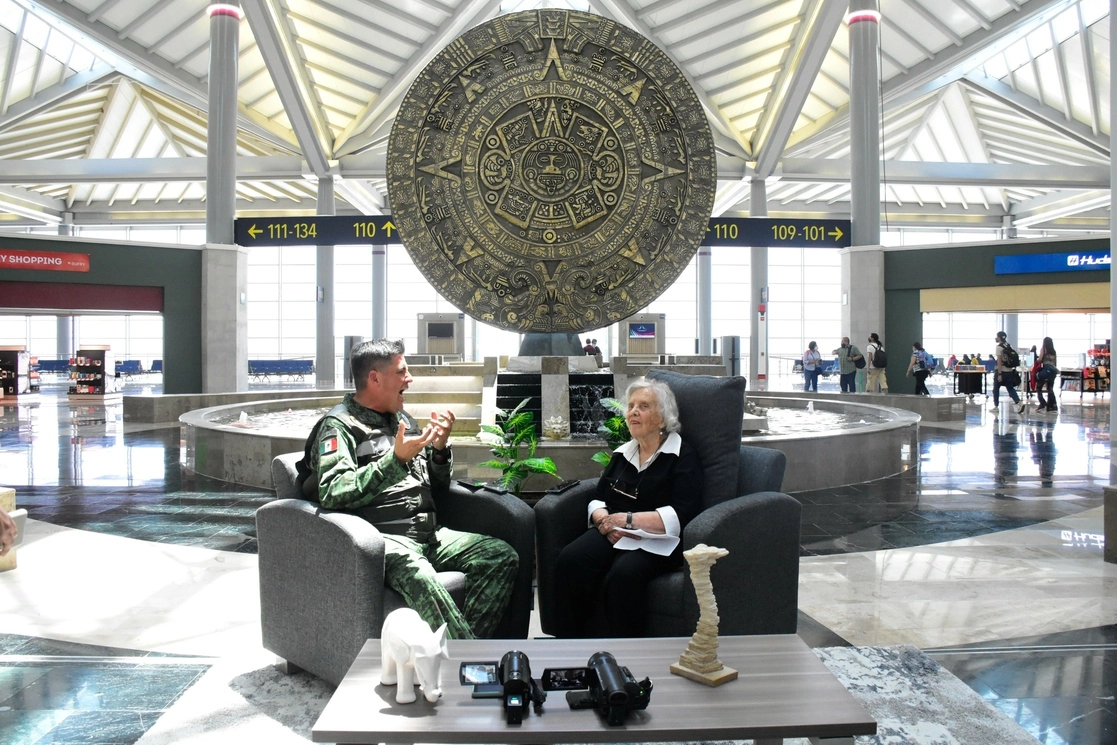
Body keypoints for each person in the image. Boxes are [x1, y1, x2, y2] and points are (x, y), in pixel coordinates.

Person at [298, 339, 517, 640]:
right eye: (401, 372)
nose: (410, 379)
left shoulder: (403, 420)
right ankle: (466, 660)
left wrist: (439, 450)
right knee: (420, 573)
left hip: (428, 535)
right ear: (375, 378)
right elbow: (334, 492)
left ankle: (463, 651)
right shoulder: (339, 426)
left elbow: (437, 486)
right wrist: (395, 460)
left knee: (500, 555)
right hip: (382, 540)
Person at [550, 378, 703, 637]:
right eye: (631, 406)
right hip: (613, 532)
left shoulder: (682, 456)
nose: (633, 412)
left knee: (623, 576)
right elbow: (598, 498)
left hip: (658, 540)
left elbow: (683, 513)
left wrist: (626, 520)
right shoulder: (623, 453)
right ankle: (570, 642)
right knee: (570, 560)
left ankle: (625, 652)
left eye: (644, 406)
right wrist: (604, 522)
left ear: (662, 419)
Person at [991, 331, 1025, 415]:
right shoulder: (1009, 346)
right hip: (1009, 371)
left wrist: (999, 374)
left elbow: (999, 362)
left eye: (997, 337)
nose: (996, 338)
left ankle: (996, 406)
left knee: (996, 389)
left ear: (999, 338)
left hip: (1001, 371)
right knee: (1010, 388)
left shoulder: (999, 347)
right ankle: (1018, 402)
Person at [1034, 336, 1058, 413]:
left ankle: (1042, 404)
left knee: (1039, 387)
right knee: (1050, 388)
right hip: (1053, 370)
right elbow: (1055, 363)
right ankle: (1052, 406)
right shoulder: (1054, 351)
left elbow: (1040, 360)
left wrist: (1037, 360)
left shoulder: (1044, 349)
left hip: (1046, 369)